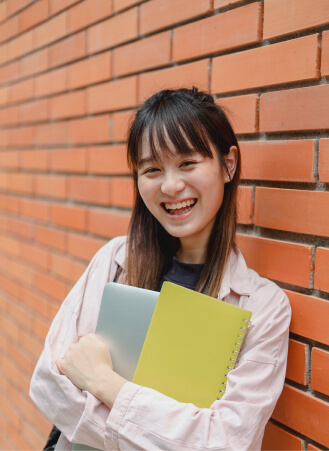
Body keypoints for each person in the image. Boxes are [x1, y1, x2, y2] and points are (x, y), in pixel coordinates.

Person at [30, 87, 291, 451]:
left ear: (227, 164)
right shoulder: (115, 262)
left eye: (187, 163)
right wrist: (169, 433)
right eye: (152, 169)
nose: (171, 186)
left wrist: (106, 383)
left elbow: (226, 443)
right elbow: (48, 386)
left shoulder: (262, 308)